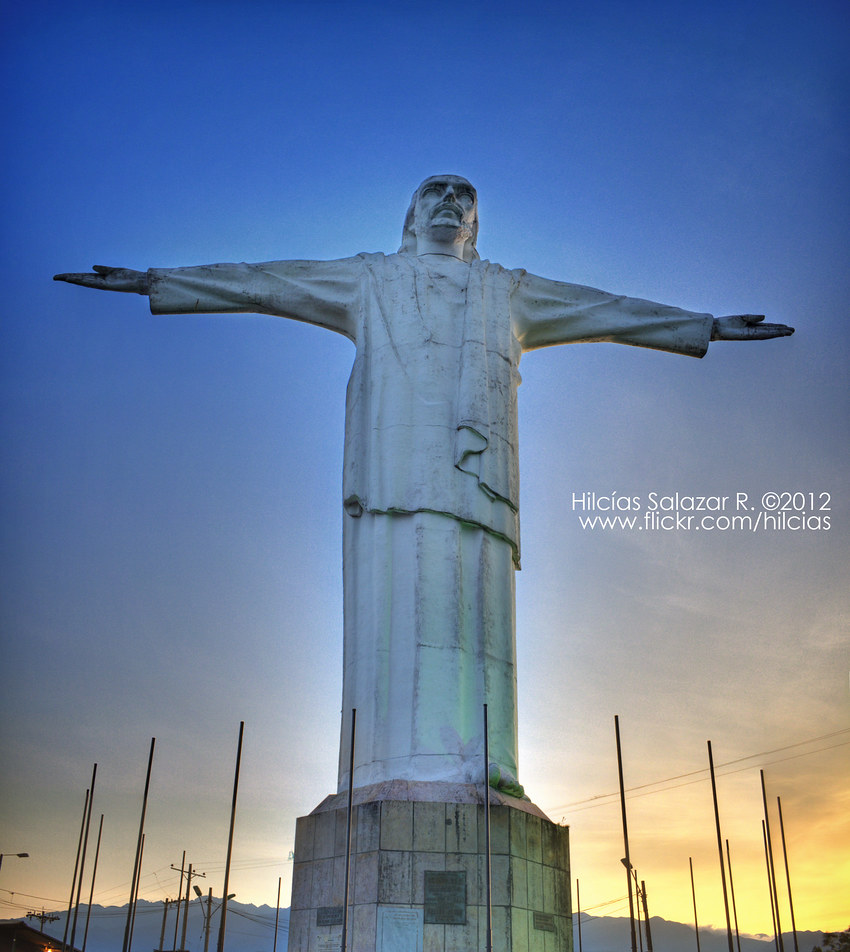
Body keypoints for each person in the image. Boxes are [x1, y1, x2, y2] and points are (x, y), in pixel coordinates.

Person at [55, 175, 793, 795]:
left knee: (477, 606)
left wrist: (705, 325)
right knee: (393, 603)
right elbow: (266, 283)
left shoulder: (507, 291)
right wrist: (158, 280)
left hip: (479, 471)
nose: (448, 201)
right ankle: (391, 767)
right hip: (391, 467)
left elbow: (607, 310)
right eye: (433, 192)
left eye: (462, 195)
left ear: (476, 222)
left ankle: (483, 772)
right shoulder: (371, 276)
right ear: (412, 217)